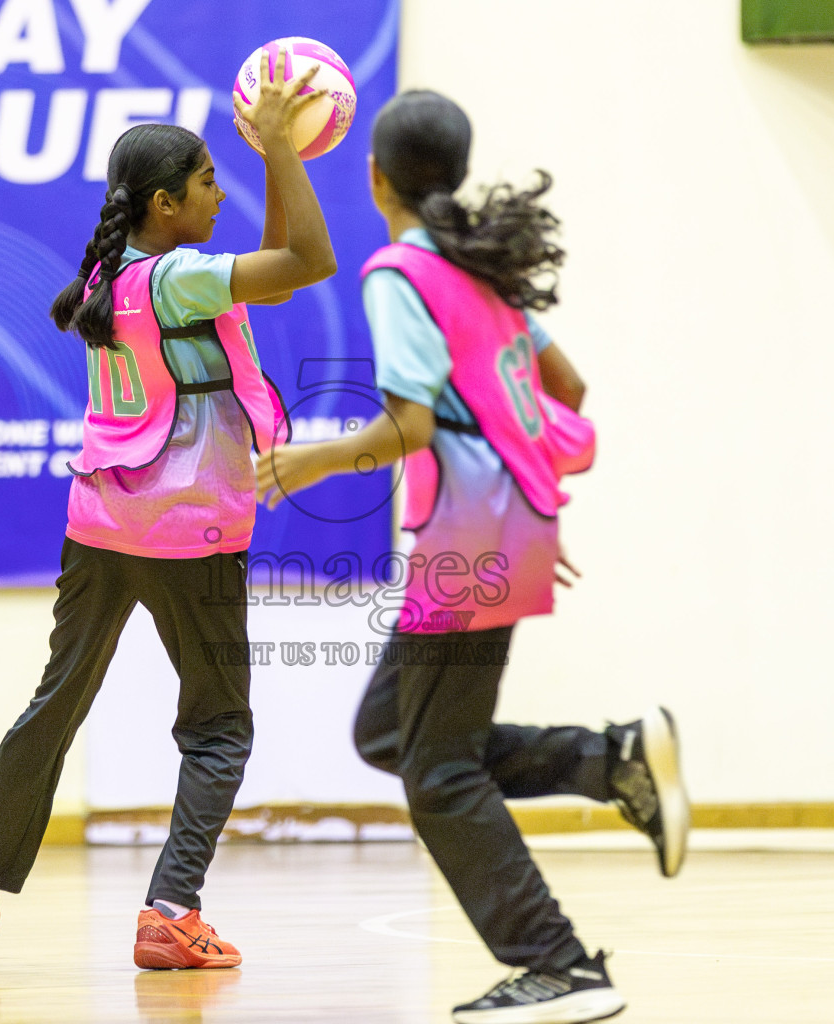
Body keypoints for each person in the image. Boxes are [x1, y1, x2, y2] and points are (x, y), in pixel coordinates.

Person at [257, 89, 689, 1024]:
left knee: (438, 772)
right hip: (505, 519)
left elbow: (410, 425)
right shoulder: (479, 271)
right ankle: (608, 761)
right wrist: (521, 497)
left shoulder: (401, 272)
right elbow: (564, 384)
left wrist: (310, 462)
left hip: (474, 530)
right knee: (390, 736)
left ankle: (560, 964)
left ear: (375, 179)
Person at [0, 51, 338, 970]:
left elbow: (273, 262)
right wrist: (282, 146)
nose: (217, 195)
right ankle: (171, 910)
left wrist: (271, 159)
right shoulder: (177, 278)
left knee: (54, 705)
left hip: (98, 524)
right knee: (221, 728)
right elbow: (308, 260)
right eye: (204, 181)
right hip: (189, 529)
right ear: (163, 206)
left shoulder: (112, 282)